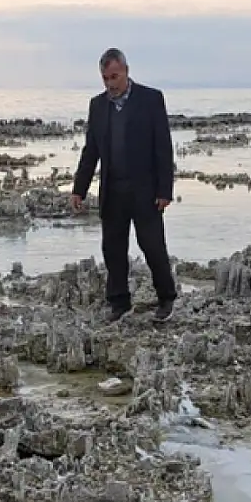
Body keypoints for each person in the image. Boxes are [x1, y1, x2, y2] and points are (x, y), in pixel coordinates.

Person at [70, 47, 177, 323]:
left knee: (152, 246)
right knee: (113, 248)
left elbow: (163, 147)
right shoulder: (97, 105)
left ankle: (166, 298)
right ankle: (119, 302)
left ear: (126, 72)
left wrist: (165, 189)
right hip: (113, 190)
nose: (109, 84)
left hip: (145, 191)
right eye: (105, 78)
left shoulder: (151, 99)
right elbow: (91, 150)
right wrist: (79, 188)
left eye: (114, 77)